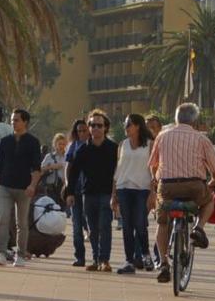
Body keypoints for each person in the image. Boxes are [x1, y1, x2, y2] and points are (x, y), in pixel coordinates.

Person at [149, 103, 215, 283]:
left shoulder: (162, 136)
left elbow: (153, 165)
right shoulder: (201, 139)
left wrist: (157, 180)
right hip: (194, 186)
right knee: (209, 201)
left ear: (176, 118)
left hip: (167, 187)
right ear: (194, 121)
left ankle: (164, 262)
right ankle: (199, 227)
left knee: (163, 223)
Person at [66, 109, 118, 272]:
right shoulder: (83, 150)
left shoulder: (113, 148)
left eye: (99, 125)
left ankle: (104, 259)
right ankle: (96, 259)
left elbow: (119, 172)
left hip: (107, 194)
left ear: (105, 128)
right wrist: (70, 193)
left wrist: (117, 195)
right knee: (93, 229)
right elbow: (73, 172)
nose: (95, 128)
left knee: (105, 226)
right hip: (88, 194)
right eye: (92, 125)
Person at [0, 109, 42, 267]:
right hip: (5, 187)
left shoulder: (33, 142)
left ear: (25, 122)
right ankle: (1, 253)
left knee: (22, 223)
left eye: (16, 120)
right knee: (3, 219)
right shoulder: (5, 141)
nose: (13, 123)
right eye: (12, 120)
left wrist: (33, 185)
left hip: (24, 189)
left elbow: (37, 168)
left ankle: (20, 255)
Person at [113, 114, 156, 274]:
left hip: (142, 189)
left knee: (140, 223)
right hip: (123, 188)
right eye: (125, 124)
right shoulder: (122, 145)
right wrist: (114, 195)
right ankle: (129, 261)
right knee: (127, 226)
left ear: (138, 126)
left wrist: (153, 193)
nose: (126, 127)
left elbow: (154, 170)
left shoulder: (150, 145)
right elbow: (117, 170)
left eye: (128, 124)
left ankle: (145, 254)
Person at [65, 119, 90, 266]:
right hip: (75, 191)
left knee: (91, 224)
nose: (81, 133)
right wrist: (69, 189)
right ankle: (79, 256)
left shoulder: (93, 145)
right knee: (76, 225)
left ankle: (98, 256)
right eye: (79, 131)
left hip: (91, 191)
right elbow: (68, 167)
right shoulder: (73, 146)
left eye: (84, 130)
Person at [41, 133, 67, 203]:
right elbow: (40, 170)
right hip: (51, 189)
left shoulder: (68, 157)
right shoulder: (49, 156)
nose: (62, 146)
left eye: (63, 144)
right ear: (55, 144)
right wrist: (52, 166)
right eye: (60, 144)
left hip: (64, 187)